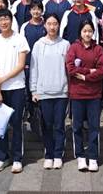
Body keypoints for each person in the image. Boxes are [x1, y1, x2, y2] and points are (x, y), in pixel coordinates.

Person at [0, 8, 30, 174]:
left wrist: (2, 79)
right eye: (1, 20)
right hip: (0, 90)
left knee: (17, 123)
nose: (4, 22)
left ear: (11, 21)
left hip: (17, 87)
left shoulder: (20, 39)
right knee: (0, 124)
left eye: (6, 19)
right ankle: (2, 157)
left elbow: (21, 65)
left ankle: (17, 158)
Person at [29, 13, 70, 170]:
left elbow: (69, 69)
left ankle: (58, 154)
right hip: (43, 92)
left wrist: (69, 89)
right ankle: (49, 154)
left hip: (61, 91)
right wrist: (34, 90)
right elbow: (34, 69)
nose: (52, 27)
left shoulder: (65, 44)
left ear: (59, 25)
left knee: (59, 125)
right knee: (46, 125)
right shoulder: (38, 45)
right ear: (44, 25)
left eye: (55, 24)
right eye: (49, 24)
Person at [66, 20, 103, 172]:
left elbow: (102, 71)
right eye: (84, 31)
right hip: (77, 94)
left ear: (93, 32)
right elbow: (70, 69)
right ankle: (80, 156)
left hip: (94, 94)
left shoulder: (98, 49)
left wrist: (85, 76)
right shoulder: (74, 47)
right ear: (80, 32)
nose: (87, 34)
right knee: (77, 126)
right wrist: (89, 71)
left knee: (94, 126)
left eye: (90, 31)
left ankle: (93, 157)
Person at [20, 1, 47, 128]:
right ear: (30, 11)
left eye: (38, 9)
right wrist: (24, 63)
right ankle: (32, 118)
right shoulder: (25, 26)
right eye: (33, 9)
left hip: (44, 64)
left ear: (42, 10)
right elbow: (21, 47)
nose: (36, 12)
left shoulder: (47, 25)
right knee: (30, 92)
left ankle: (43, 119)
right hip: (28, 64)